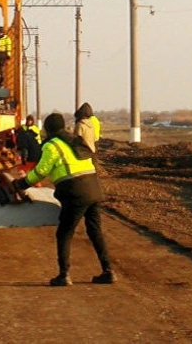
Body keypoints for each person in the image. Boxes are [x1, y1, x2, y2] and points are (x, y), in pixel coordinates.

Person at [12, 112, 116, 286]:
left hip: (75, 192)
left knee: (65, 233)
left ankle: (64, 275)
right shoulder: (75, 140)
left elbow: (41, 171)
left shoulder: (52, 145)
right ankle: (108, 271)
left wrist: (21, 184)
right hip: (93, 188)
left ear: (48, 129)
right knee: (95, 230)